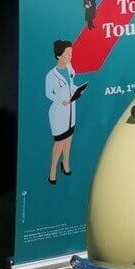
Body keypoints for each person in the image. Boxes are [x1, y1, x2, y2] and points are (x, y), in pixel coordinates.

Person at [45, 39, 78, 184]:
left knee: (69, 138)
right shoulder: (51, 75)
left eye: (71, 54)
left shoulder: (69, 67)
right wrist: (61, 100)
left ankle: (65, 163)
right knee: (60, 142)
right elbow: (48, 94)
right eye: (67, 54)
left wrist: (76, 91)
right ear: (59, 56)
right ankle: (52, 170)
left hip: (71, 109)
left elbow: (72, 81)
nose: (69, 57)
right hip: (59, 112)